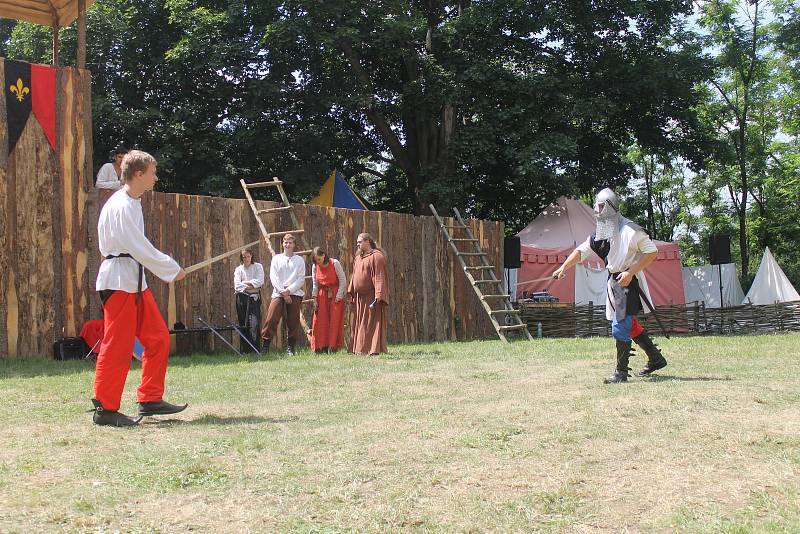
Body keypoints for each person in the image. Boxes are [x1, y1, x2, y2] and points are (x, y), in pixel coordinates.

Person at [92, 150, 188, 426]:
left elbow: (138, 248)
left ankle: (149, 398)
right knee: (118, 345)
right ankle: (105, 409)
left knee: (158, 337)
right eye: (152, 173)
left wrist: (167, 269)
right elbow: (137, 247)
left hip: (134, 282)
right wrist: (171, 269)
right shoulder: (121, 205)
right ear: (138, 174)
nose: (155, 178)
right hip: (119, 283)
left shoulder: (132, 202)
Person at [553, 188, 668, 384]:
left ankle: (620, 373)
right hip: (614, 282)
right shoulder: (602, 233)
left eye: (601, 206)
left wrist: (630, 272)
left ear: (611, 207)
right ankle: (655, 358)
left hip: (628, 282)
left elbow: (651, 252)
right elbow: (582, 251)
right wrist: (564, 267)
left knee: (619, 326)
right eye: (596, 207)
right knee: (628, 325)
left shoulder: (632, 231)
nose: (597, 211)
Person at [261, 233, 306, 355]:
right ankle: (265, 346)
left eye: (290, 242)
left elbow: (300, 279)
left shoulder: (299, 260)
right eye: (285, 242)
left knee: (293, 321)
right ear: (282, 244)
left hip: (294, 293)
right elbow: (273, 277)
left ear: (294, 245)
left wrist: (289, 291)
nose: (287, 244)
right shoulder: (276, 259)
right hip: (278, 293)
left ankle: (291, 348)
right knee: (271, 319)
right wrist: (283, 292)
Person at [348, 232, 389, 355]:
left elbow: (379, 276)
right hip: (360, 298)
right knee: (360, 323)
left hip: (371, 297)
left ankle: (373, 349)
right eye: (357, 242)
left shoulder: (377, 257)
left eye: (360, 242)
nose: (357, 244)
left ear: (367, 241)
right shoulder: (358, 257)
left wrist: (378, 296)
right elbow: (354, 276)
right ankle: (360, 348)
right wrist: (352, 292)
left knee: (371, 323)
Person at [310, 246, 346, 353]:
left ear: (323, 255)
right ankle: (321, 346)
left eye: (319, 259)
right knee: (320, 321)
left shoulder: (335, 263)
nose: (318, 262)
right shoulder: (315, 267)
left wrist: (339, 296)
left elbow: (343, 281)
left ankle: (333, 346)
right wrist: (315, 299)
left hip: (335, 295)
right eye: (316, 260)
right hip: (322, 296)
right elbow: (315, 284)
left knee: (335, 321)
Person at [234, 248, 264, 353]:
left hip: (254, 298)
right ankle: (245, 351)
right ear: (241, 258)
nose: (246, 258)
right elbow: (237, 286)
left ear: (251, 256)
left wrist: (245, 283)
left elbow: (259, 282)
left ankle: (256, 350)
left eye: (248, 256)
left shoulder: (258, 267)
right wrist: (251, 284)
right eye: (244, 257)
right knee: (243, 324)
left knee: (255, 324)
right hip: (241, 298)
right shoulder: (238, 269)